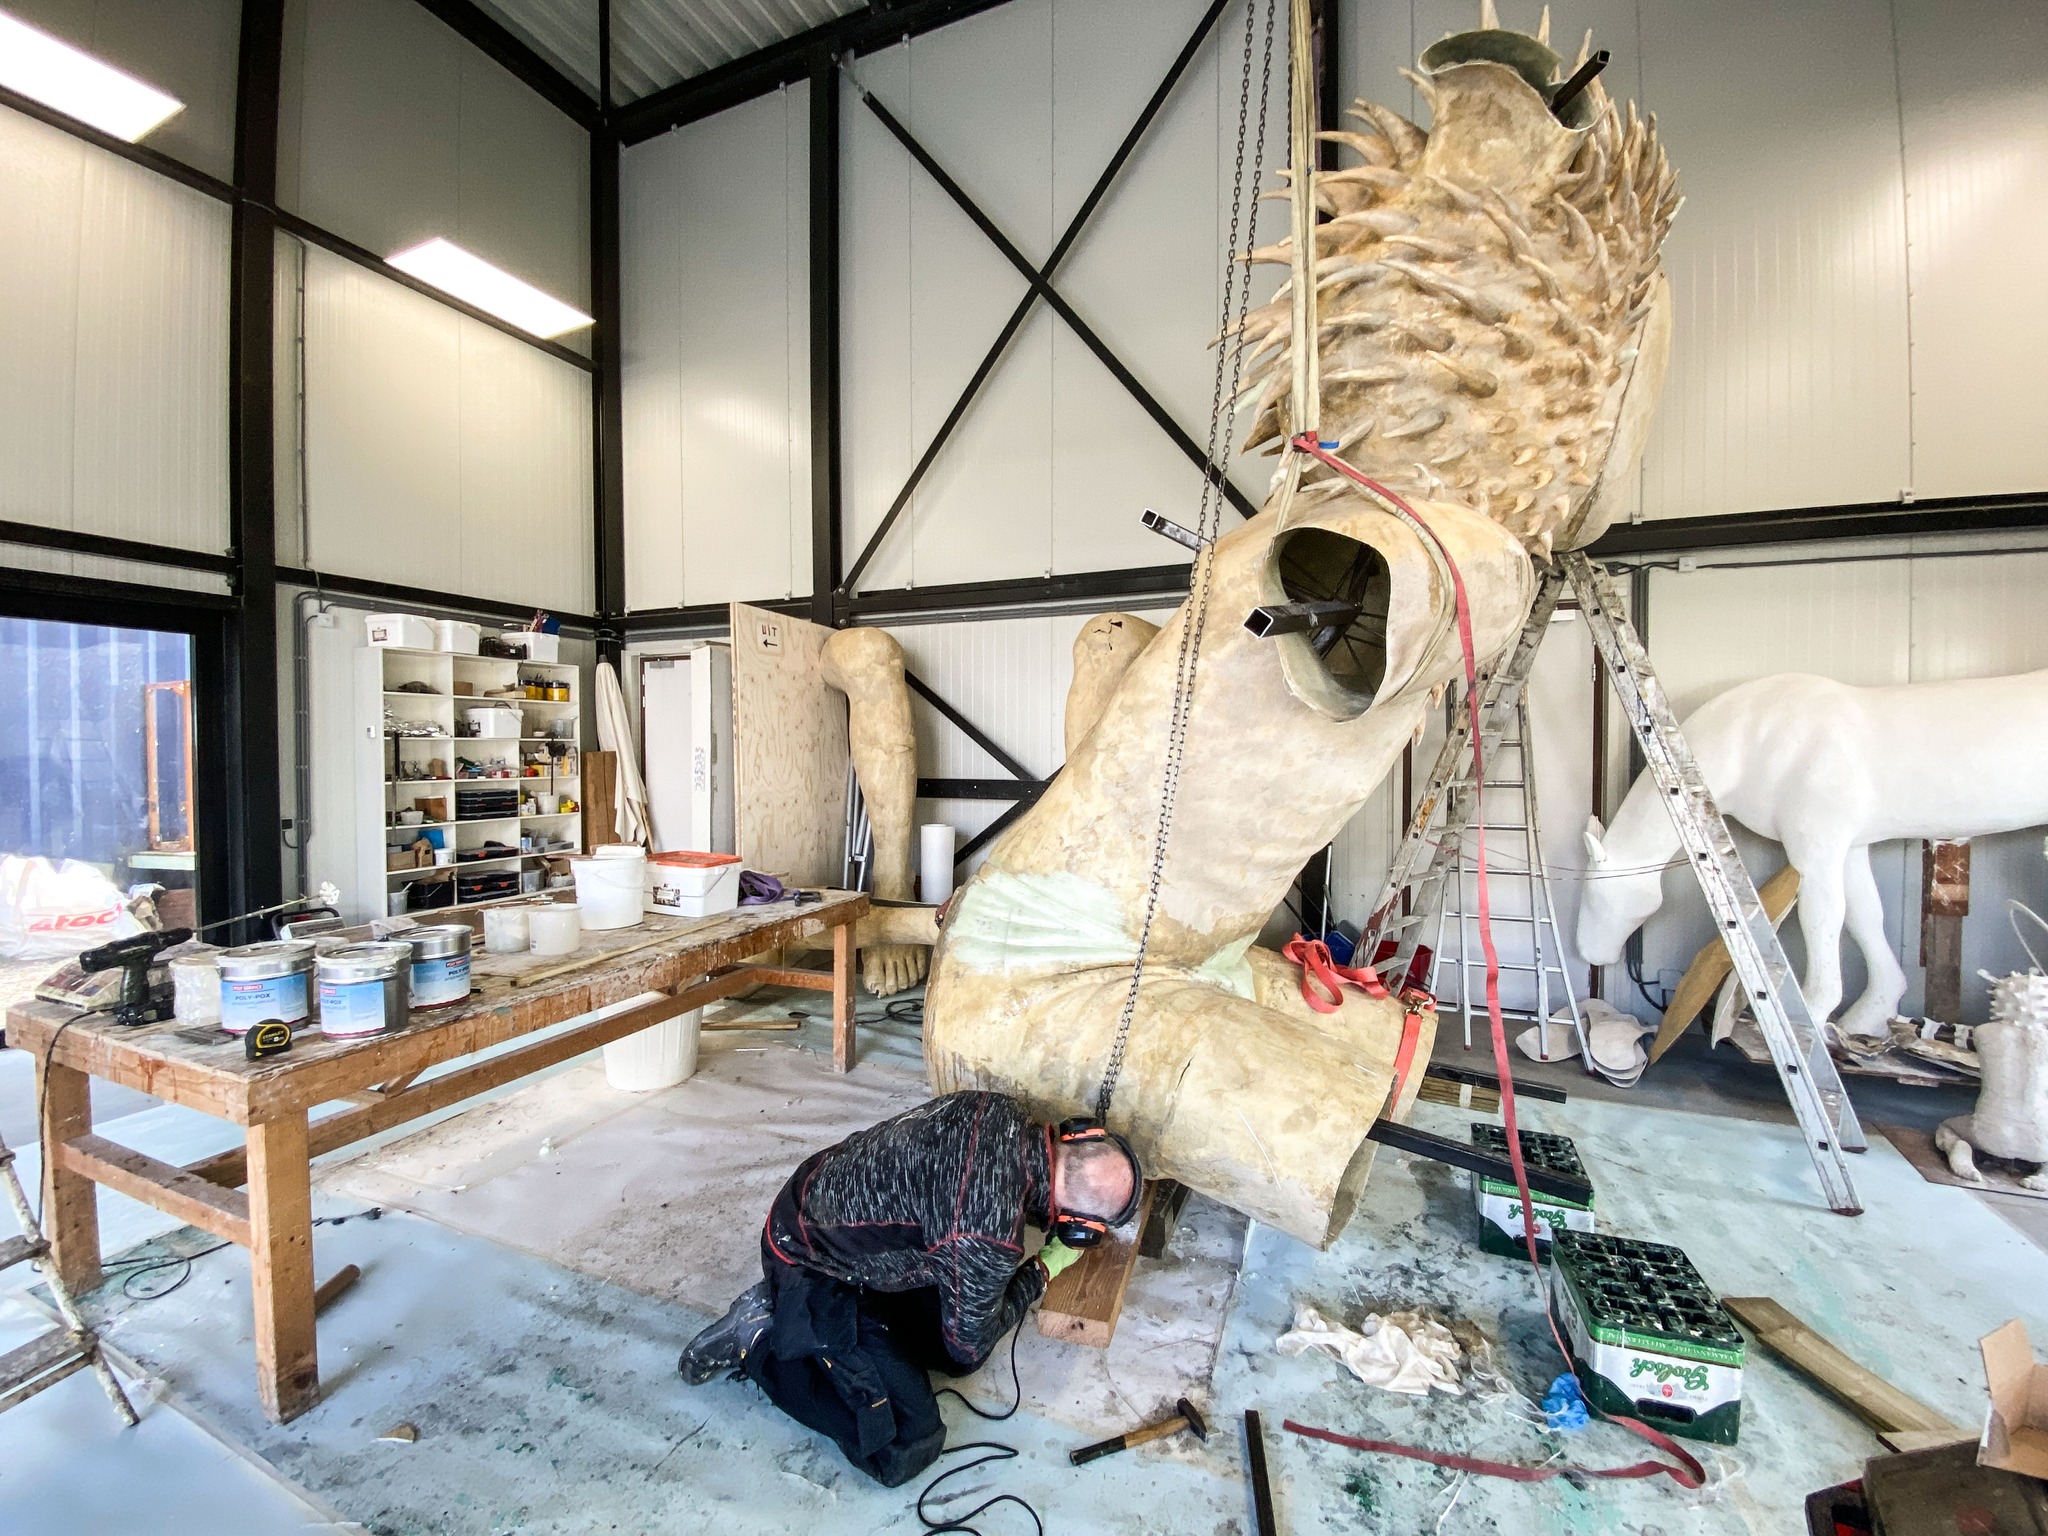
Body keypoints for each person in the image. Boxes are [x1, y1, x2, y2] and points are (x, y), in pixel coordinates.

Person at [678, 1090, 1142, 1487]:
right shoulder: (989, 1237)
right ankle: (758, 1338)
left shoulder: (999, 1108)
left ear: (1077, 1134)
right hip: (808, 1262)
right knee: (906, 1443)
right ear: (1078, 1228)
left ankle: (830, 1331)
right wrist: (1042, 1269)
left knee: (954, 1350)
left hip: (826, 1206)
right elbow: (970, 1345)